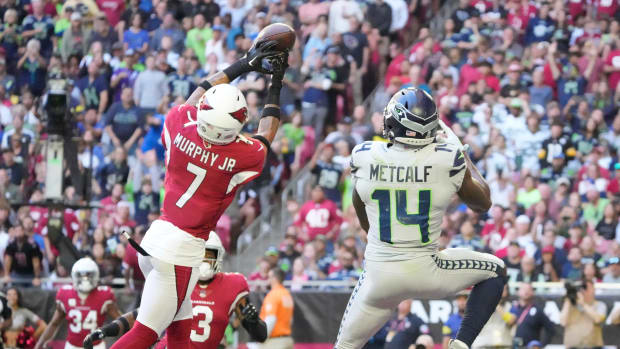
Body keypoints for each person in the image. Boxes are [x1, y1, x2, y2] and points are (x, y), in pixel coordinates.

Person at [109, 42, 287, 349]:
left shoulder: (179, 121)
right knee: (145, 333)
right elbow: (266, 133)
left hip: (156, 237)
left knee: (181, 330)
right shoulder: (242, 155)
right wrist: (276, 83)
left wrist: (243, 64)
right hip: (182, 250)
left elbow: (197, 93)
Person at [335, 87, 507, 349]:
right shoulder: (447, 159)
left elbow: (364, 215)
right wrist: (461, 152)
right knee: (495, 270)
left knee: (344, 347)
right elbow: (483, 202)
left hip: (378, 277)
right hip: (427, 271)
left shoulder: (363, 155)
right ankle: (461, 344)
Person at [84, 233, 268, 349]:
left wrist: (253, 323)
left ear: (218, 257)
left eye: (209, 255)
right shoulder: (180, 279)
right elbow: (143, 315)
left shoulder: (234, 285)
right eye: (200, 255)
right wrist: (106, 330)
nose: (203, 261)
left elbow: (261, 336)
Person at [35, 258, 122, 349]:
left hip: (96, 346)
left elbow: (121, 321)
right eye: (81, 275)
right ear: (74, 276)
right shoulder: (65, 294)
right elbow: (54, 323)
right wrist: (39, 344)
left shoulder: (104, 295)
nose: (85, 280)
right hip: (72, 346)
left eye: (89, 275)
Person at [559, 278, 606, 348]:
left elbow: (598, 319)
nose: (583, 291)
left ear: (594, 290)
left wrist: (583, 304)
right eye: (582, 288)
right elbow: (562, 322)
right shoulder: (570, 306)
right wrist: (568, 301)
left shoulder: (600, 305)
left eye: (586, 288)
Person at [509, 283, 555, 347]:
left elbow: (550, 329)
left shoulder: (537, 311)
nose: (526, 291)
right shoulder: (512, 308)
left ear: (533, 292)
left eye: (529, 289)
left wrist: (541, 345)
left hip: (531, 346)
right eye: (523, 289)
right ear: (518, 292)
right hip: (513, 346)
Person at [260, 267, 294, 349]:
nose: (268, 279)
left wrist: (262, 337)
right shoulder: (287, 294)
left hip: (275, 342)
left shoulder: (273, 295)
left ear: (274, 279)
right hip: (287, 339)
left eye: (269, 277)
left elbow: (271, 319)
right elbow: (291, 320)